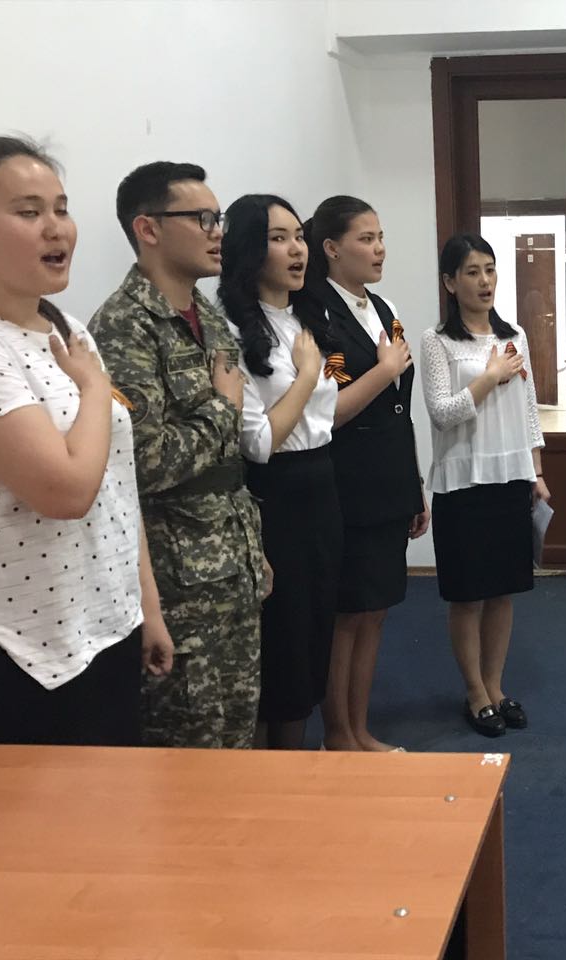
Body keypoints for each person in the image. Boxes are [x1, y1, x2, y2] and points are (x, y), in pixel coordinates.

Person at [0, 136, 172, 745]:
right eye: (28, 211)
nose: (55, 228)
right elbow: (65, 491)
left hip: (105, 621)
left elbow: (116, 483)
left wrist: (145, 606)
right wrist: (94, 389)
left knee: (116, 795)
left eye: (61, 209)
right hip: (18, 644)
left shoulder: (66, 330)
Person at [90, 162, 267, 749]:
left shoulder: (207, 315)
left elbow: (224, 458)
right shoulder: (122, 328)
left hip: (230, 565)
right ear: (148, 228)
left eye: (218, 218)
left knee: (237, 733)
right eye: (203, 218)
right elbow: (143, 461)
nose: (218, 232)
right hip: (176, 585)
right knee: (187, 752)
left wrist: (252, 551)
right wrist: (222, 408)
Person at [302, 197, 423, 751]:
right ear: (331, 248)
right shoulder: (314, 312)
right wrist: (384, 368)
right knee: (346, 614)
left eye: (381, 238)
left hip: (389, 478)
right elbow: (328, 411)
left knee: (376, 609)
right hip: (345, 482)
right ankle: (339, 734)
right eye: (366, 239)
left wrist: (414, 484)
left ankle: (359, 728)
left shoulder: (382, 307)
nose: (379, 250)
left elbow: (401, 405)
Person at [220, 194, 341, 750]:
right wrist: (307, 375)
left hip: (321, 484)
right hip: (275, 495)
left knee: (314, 631)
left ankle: (298, 760)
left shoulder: (303, 319)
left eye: (298, 237)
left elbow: (324, 418)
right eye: (278, 238)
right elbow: (259, 443)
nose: (297, 250)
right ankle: (274, 769)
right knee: (282, 642)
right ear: (249, 249)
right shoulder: (232, 331)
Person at [422, 233, 549, 738]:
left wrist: (537, 472)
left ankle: (495, 686)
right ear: (450, 282)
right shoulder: (437, 341)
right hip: (463, 482)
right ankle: (474, 692)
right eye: (472, 272)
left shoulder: (514, 335)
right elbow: (441, 412)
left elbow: (529, 410)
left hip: (510, 477)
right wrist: (488, 376)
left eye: (490, 270)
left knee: (502, 593)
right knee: (468, 596)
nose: (484, 281)